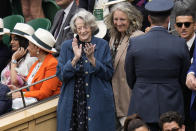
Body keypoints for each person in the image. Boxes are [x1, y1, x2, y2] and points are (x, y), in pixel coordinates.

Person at [125, 0, 190, 131]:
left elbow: (130, 75)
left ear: (149, 18)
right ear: (168, 19)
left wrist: (142, 85)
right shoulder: (180, 43)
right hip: (171, 103)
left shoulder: (135, 43)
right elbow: (185, 77)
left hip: (142, 102)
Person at [56, 9, 115, 131]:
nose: (82, 31)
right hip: (73, 103)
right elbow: (61, 76)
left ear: (92, 27)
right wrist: (75, 59)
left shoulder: (102, 44)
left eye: (85, 27)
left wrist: (93, 60)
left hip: (96, 101)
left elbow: (108, 74)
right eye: (79, 28)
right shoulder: (67, 46)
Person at [104, 2, 143, 130]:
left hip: (129, 98)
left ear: (131, 19)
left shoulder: (138, 37)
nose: (118, 23)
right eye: (115, 19)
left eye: (122, 19)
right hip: (114, 98)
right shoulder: (114, 37)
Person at [9, 28, 62, 109]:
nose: (28, 48)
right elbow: (30, 89)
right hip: (35, 103)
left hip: (47, 106)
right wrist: (18, 90)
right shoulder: (36, 64)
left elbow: (45, 94)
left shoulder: (52, 64)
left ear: (38, 48)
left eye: (30, 45)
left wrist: (21, 94)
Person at [175, 9, 196, 130]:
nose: (183, 27)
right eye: (179, 24)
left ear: (195, 25)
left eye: (187, 24)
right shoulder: (172, 44)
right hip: (178, 101)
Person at [1, 23, 37, 87]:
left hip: (17, 95)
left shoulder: (30, 58)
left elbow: (15, 82)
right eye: (11, 39)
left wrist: (14, 60)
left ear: (24, 41)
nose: (11, 42)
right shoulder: (17, 55)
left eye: (15, 39)